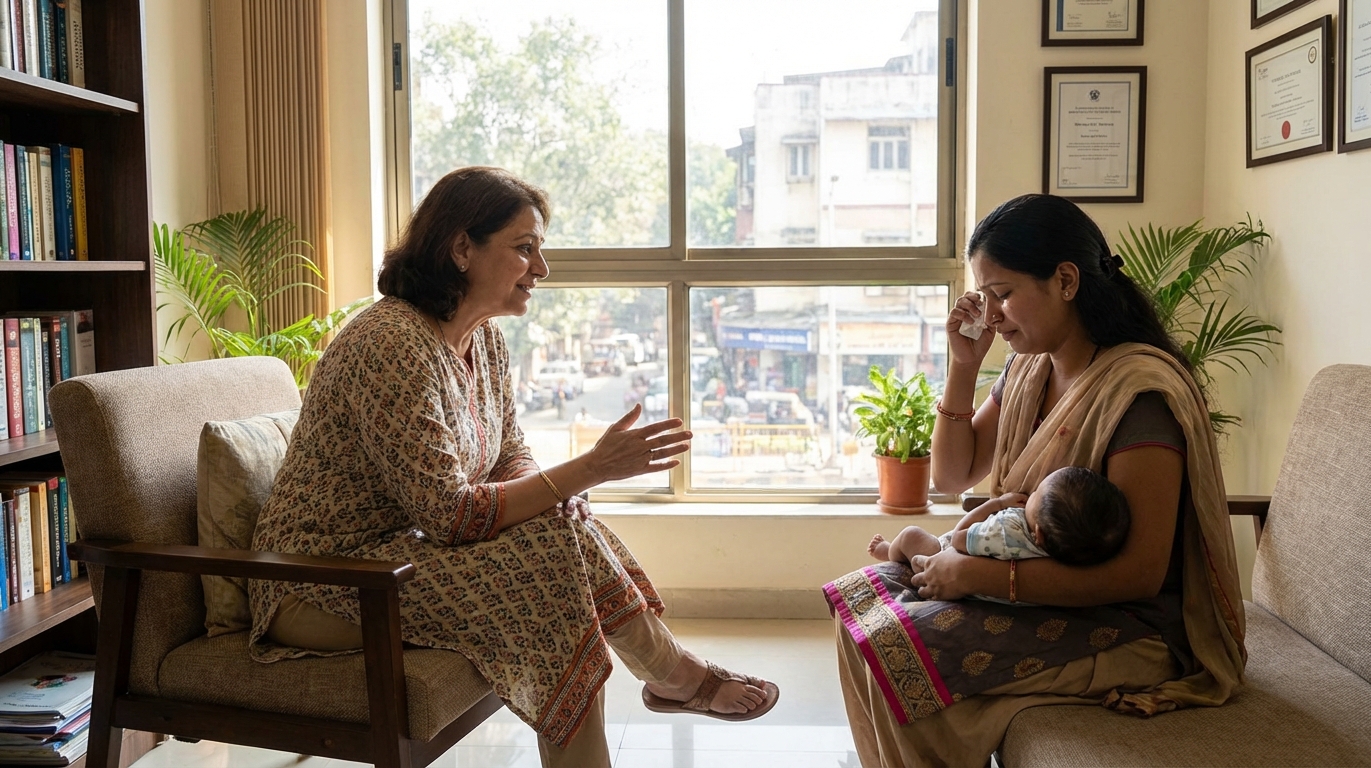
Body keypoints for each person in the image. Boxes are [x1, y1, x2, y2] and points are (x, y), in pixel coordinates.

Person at [248, 167, 779, 768]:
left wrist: (557, 493)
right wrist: (589, 470)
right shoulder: (389, 344)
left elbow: (508, 452)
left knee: (558, 531)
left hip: (399, 553)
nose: (541, 270)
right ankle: (674, 676)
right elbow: (449, 515)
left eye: (540, 251)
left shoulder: (485, 341)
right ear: (461, 249)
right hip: (322, 580)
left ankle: (669, 678)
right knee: (551, 566)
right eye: (524, 250)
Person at [826, 193, 1244, 767]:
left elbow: (1141, 575)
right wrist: (965, 365)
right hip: (1052, 599)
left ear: (1066, 280)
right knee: (863, 610)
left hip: (1135, 628)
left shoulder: (1139, 396)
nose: (991, 315)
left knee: (899, 646)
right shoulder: (1030, 366)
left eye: (1003, 294)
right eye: (986, 296)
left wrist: (979, 574)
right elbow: (951, 475)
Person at [867, 466, 1132, 598]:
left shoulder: (1008, 533)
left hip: (947, 564)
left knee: (912, 535)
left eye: (1037, 494)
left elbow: (959, 538)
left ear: (1038, 534)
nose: (1032, 493)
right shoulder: (1069, 551)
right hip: (992, 587)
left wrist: (996, 504)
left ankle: (890, 551)